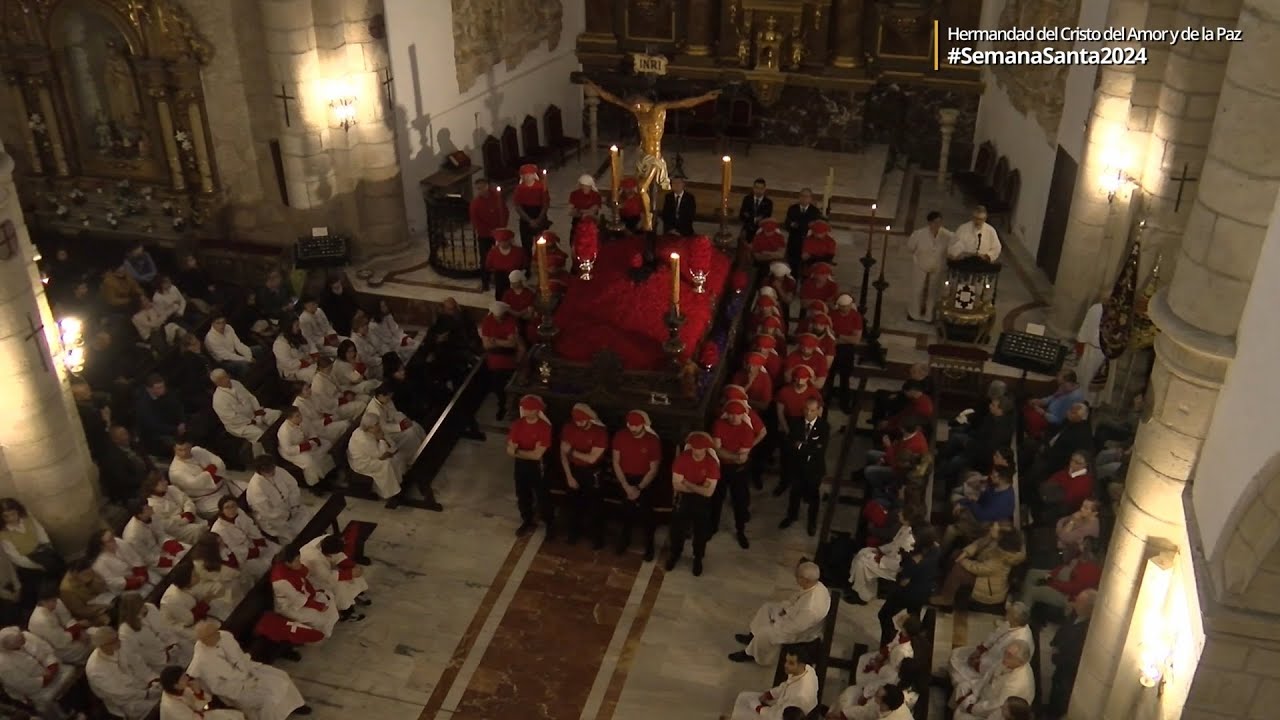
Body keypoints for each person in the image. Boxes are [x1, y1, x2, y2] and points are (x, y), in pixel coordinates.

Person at [187, 620, 310, 719]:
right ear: (204, 639)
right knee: (269, 698)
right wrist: (246, 682)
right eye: (214, 633)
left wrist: (248, 671)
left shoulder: (224, 636)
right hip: (235, 688)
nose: (219, 634)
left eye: (217, 630)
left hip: (248, 668)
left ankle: (296, 705)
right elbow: (217, 687)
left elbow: (238, 655)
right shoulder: (201, 661)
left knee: (281, 676)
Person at [730, 560, 830, 665]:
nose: (796, 580)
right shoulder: (816, 585)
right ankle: (753, 637)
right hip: (795, 618)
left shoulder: (810, 608)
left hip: (802, 632)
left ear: (805, 580)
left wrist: (777, 622)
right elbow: (796, 600)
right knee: (767, 608)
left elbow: (795, 628)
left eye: (798, 577)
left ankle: (750, 654)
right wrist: (785, 609)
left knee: (766, 632)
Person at [846, 504, 925, 604]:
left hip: (896, 568)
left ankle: (862, 596)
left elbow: (901, 562)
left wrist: (881, 559)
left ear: (907, 519)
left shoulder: (910, 540)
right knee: (864, 552)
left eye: (902, 513)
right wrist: (880, 550)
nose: (899, 514)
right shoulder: (905, 528)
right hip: (889, 558)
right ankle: (867, 590)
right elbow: (894, 544)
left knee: (862, 563)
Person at [949, 602, 1033, 695]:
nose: (1006, 612)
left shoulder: (1020, 640)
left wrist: (978, 664)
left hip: (991, 670)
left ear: (1015, 619)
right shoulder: (1011, 623)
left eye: (1009, 613)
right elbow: (994, 636)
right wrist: (979, 650)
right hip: (988, 656)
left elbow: (1003, 662)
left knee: (958, 673)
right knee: (956, 653)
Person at [666, 432, 720, 577]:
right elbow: (677, 485)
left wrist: (687, 483)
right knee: (677, 530)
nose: (697, 451)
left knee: (701, 532)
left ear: (705, 449)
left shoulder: (711, 463)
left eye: (700, 449)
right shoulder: (682, 459)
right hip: (683, 498)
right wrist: (699, 487)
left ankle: (698, 558)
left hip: (702, 502)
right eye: (694, 448)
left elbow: (708, 493)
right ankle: (675, 554)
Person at [610, 410, 662, 559]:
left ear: (643, 425)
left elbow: (653, 468)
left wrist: (639, 488)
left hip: (644, 481)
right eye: (630, 425)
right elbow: (616, 461)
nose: (633, 428)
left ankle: (649, 546)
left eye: (636, 426)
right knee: (625, 513)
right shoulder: (620, 436)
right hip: (625, 478)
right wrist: (625, 485)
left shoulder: (652, 440)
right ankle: (624, 540)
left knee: (647, 517)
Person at [935, 524, 1025, 608]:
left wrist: (963, 561)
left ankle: (947, 598)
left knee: (959, 570)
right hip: (982, 568)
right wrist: (966, 553)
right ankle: (944, 584)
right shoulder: (998, 541)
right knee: (957, 553)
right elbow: (978, 544)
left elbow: (980, 568)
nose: (994, 526)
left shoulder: (1002, 558)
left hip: (988, 588)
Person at [558, 403, 609, 547]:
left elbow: (592, 458)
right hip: (574, 470)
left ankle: (597, 537)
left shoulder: (600, 432)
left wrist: (572, 452)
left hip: (593, 472)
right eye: (576, 420)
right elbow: (563, 453)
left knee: (595, 506)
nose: (579, 423)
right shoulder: (568, 428)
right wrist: (569, 476)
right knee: (573, 505)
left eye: (582, 420)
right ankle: (573, 533)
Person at [877, 527, 939, 646]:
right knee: (913, 620)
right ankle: (912, 644)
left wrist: (900, 572)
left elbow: (904, 581)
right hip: (925, 591)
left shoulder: (915, 561)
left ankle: (888, 642)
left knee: (884, 614)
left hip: (909, 593)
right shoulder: (936, 549)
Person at [709, 399, 757, 548]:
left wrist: (726, 453)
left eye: (737, 415)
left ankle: (740, 530)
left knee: (740, 501)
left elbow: (741, 458)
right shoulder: (719, 425)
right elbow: (716, 449)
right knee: (716, 499)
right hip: (720, 468)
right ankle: (712, 527)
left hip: (738, 471)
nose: (734, 418)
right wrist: (733, 456)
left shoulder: (747, 430)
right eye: (731, 414)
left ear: (742, 415)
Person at [86, 625, 160, 719]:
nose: (119, 641)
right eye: (114, 641)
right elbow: (119, 693)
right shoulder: (95, 669)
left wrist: (151, 679)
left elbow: (137, 663)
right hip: (127, 701)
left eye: (117, 637)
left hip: (141, 684)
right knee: (158, 708)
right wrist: (146, 694)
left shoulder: (120, 645)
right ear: (103, 646)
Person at [506, 394, 554, 537]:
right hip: (521, 466)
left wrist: (517, 451)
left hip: (538, 466)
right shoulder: (517, 425)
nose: (525, 411)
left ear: (536, 411)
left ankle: (550, 523)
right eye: (524, 408)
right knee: (522, 494)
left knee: (542, 495)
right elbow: (509, 450)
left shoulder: (544, 427)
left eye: (529, 409)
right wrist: (523, 452)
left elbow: (537, 455)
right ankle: (527, 520)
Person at [780, 397, 828, 536]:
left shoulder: (824, 427)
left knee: (813, 497)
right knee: (794, 493)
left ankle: (812, 522)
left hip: (814, 469)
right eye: (806, 409)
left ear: (818, 411)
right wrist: (806, 447)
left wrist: (800, 445)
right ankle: (791, 516)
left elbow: (819, 450)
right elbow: (790, 444)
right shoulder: (795, 423)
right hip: (797, 466)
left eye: (812, 410)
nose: (808, 413)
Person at [950, 641, 1034, 720]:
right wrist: (975, 693)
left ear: (1020, 662)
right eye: (1005, 652)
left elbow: (998, 705)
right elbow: (988, 675)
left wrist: (972, 708)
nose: (1004, 657)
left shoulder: (1017, 684)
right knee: (962, 687)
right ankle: (950, 710)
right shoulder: (1009, 661)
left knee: (960, 717)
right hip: (987, 692)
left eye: (1009, 655)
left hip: (998, 710)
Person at [270, 546, 342, 637]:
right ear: (287, 563)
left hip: (303, 596)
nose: (299, 563)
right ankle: (321, 634)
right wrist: (318, 606)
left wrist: (301, 569)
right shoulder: (281, 580)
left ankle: (330, 626)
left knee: (328, 596)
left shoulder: (292, 567)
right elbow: (297, 598)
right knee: (317, 616)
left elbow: (305, 575)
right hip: (290, 606)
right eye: (297, 561)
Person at [1, 498, 62, 603]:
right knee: (42, 583)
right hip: (28, 561)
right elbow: (16, 558)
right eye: (6, 516)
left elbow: (40, 532)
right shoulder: (3, 534)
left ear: (18, 511)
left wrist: (48, 546)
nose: (11, 518)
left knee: (57, 566)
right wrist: (38, 566)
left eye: (13, 514)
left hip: (42, 551)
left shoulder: (27, 518)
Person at [1021, 536, 1102, 614]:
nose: (1081, 546)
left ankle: (1020, 618)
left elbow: (1071, 588)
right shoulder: (1081, 557)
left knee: (1032, 592)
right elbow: (1065, 566)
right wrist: (1053, 573)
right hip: (1060, 578)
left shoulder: (1091, 570)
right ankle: (1021, 604)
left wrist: (1052, 582)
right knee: (1032, 573)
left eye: (1084, 544)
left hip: (1066, 595)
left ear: (1089, 549)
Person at [730, 648, 819, 720]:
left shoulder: (798, 697)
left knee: (742, 711)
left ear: (801, 665)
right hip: (782, 703)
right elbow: (786, 685)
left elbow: (777, 717)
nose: (785, 665)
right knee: (744, 696)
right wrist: (769, 694)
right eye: (786, 661)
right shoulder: (806, 669)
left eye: (791, 663)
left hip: (786, 715)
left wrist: (758, 708)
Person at [117, 592, 192, 674]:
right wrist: (164, 655)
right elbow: (137, 656)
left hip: (172, 648)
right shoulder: (126, 630)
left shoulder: (150, 607)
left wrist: (172, 643)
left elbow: (164, 627)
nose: (144, 607)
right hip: (158, 661)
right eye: (140, 606)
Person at [210, 369, 281, 455]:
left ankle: (282, 441)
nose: (227, 379)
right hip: (239, 425)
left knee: (276, 414)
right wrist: (252, 421)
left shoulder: (235, 383)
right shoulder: (218, 400)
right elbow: (232, 418)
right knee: (259, 434)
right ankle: (262, 458)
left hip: (255, 413)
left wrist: (258, 411)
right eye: (223, 378)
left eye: (226, 375)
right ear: (217, 383)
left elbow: (251, 397)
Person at [1048, 588, 1095, 716]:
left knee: (1061, 697)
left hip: (1068, 670)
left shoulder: (1087, 630)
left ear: (1089, 608)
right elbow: (1064, 628)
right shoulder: (1075, 614)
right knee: (1054, 688)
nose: (1074, 604)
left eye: (1079, 602)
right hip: (1060, 662)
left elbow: (1074, 655)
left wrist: (1057, 657)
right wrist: (1055, 643)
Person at [167, 441, 242, 519]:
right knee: (230, 513)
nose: (184, 453)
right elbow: (195, 483)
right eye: (180, 450)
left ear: (190, 446)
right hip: (205, 500)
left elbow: (219, 463)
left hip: (224, 486)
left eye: (186, 449)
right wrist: (211, 470)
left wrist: (206, 474)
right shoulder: (175, 470)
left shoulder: (198, 451)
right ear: (174, 449)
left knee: (248, 496)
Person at [300, 534, 370, 616]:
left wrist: (352, 566)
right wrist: (349, 574)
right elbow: (327, 577)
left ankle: (358, 593)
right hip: (313, 578)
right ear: (328, 555)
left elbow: (339, 556)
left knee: (354, 572)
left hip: (326, 571)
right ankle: (346, 611)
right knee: (339, 586)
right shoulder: (313, 559)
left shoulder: (328, 540)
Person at [245, 455, 308, 543]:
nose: (273, 472)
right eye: (269, 471)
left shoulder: (278, 470)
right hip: (274, 519)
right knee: (296, 535)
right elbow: (266, 511)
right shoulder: (256, 488)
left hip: (291, 506)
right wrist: (287, 515)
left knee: (308, 519)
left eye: (273, 468)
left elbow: (293, 486)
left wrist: (294, 504)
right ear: (261, 472)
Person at [905, 211, 954, 322]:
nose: (937, 225)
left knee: (933, 291)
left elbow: (956, 241)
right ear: (929, 223)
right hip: (920, 265)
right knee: (917, 289)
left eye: (939, 222)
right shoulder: (919, 234)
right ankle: (914, 313)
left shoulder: (946, 235)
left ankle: (929, 316)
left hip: (937, 266)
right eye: (935, 222)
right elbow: (910, 247)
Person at [348, 413, 406, 506]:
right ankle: (390, 493)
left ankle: (399, 482)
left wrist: (388, 449)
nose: (379, 426)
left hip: (372, 456)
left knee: (396, 457)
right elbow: (380, 455)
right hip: (364, 463)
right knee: (386, 464)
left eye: (378, 423)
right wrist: (381, 440)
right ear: (368, 428)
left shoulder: (371, 431)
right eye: (376, 425)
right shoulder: (363, 439)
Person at [210, 497, 275, 579]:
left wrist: (259, 541)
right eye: (227, 507)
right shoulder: (218, 529)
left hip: (252, 543)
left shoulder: (240, 512)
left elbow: (251, 527)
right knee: (265, 568)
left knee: (277, 552)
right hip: (241, 557)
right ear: (221, 510)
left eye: (233, 506)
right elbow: (232, 549)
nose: (231, 509)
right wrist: (254, 552)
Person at [28, 585, 92, 665]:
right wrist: (78, 627)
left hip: (68, 636)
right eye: (53, 601)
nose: (56, 603)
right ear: (43, 602)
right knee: (94, 641)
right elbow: (61, 642)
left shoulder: (56, 603)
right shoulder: (41, 620)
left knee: (95, 632)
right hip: (60, 649)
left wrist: (80, 632)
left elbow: (67, 619)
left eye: (56, 600)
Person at [122, 499, 189, 574]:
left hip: (162, 547)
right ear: (140, 515)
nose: (151, 507)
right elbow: (146, 557)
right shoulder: (132, 535)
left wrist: (173, 547)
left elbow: (161, 535)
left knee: (188, 550)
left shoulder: (152, 515)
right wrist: (171, 561)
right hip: (153, 561)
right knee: (180, 569)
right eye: (146, 508)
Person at [277, 405, 336, 489]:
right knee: (309, 461)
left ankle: (328, 473)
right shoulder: (284, 431)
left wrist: (314, 439)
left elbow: (311, 431)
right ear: (289, 418)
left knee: (327, 444)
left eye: (299, 414)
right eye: (297, 416)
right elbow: (288, 449)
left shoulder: (302, 420)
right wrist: (304, 447)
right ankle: (315, 484)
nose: (300, 417)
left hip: (306, 443)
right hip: (293, 452)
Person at [481, 301, 522, 419]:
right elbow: (486, 345)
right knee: (498, 382)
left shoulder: (511, 321)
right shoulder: (487, 321)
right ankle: (503, 405)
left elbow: (512, 344)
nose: (498, 319)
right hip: (495, 357)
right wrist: (503, 342)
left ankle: (513, 405)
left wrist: (496, 341)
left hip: (510, 356)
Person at [159, 665, 247, 719]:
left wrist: (198, 692)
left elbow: (205, 703)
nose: (187, 678)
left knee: (236, 715)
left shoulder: (183, 688)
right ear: (176, 685)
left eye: (185, 675)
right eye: (183, 678)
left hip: (200, 715)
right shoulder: (170, 706)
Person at [88, 529, 158, 597]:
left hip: (138, 574)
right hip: (126, 588)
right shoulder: (99, 564)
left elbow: (135, 557)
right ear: (102, 546)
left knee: (157, 580)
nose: (114, 540)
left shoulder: (118, 542)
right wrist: (135, 582)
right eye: (110, 540)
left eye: (113, 537)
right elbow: (112, 582)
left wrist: (140, 572)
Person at [134, 373, 190, 455]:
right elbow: (154, 426)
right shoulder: (143, 406)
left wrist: (182, 422)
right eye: (159, 388)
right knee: (178, 447)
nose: (163, 389)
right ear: (149, 389)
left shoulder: (166, 393)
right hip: (157, 436)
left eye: (163, 386)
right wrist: (175, 429)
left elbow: (178, 406)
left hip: (174, 426)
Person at [1023, 370, 1085, 439]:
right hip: (1048, 412)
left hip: (1052, 421)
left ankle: (1035, 439)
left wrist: (1043, 413)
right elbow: (1052, 397)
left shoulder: (1073, 397)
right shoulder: (1064, 387)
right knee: (1026, 405)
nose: (1060, 387)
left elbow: (1059, 421)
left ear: (1068, 382)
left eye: (1061, 384)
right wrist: (1040, 401)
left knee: (1031, 417)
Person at [471, 178, 511, 282]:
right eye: (478, 189)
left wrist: (502, 228)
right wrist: (491, 232)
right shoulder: (475, 204)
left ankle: (502, 277)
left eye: (483, 187)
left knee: (502, 255)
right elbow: (476, 222)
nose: (481, 190)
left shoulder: (496, 197)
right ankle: (485, 280)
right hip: (485, 235)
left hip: (500, 233)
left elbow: (504, 212)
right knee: (485, 258)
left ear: (487, 186)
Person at [311, 356, 371, 422]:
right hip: (334, 408)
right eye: (328, 369)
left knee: (367, 398)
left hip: (342, 397)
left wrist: (347, 393)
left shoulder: (328, 374)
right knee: (361, 406)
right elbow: (324, 403)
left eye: (331, 367)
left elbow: (338, 387)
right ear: (321, 368)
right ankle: (357, 423)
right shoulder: (318, 383)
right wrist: (344, 400)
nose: (330, 370)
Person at [291, 381, 351, 446]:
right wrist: (325, 421)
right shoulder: (297, 406)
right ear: (299, 393)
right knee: (346, 425)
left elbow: (323, 405)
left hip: (324, 419)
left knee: (342, 417)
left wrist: (327, 414)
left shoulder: (312, 395)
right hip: (318, 429)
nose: (309, 390)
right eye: (306, 389)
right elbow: (308, 425)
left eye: (309, 387)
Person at [1038, 451, 1095, 518]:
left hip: (1067, 508)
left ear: (1085, 465)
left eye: (1077, 463)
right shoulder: (1068, 470)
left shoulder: (1086, 480)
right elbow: (1053, 479)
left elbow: (1070, 499)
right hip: (1055, 498)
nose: (1072, 463)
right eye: (1072, 460)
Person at [59, 558, 112, 626]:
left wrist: (91, 581)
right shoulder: (66, 590)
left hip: (102, 600)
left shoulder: (88, 570)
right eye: (85, 574)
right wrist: (101, 608)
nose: (89, 574)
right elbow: (80, 611)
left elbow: (103, 586)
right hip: (89, 615)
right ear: (75, 573)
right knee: (107, 619)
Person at [513, 164, 551, 251]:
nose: (527, 177)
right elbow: (517, 206)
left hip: (539, 214)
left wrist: (539, 219)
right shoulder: (519, 189)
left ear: (534, 176)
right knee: (526, 245)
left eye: (529, 175)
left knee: (542, 245)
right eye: (525, 175)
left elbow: (545, 204)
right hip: (526, 216)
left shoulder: (541, 187)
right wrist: (529, 220)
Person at [483, 228, 526, 302]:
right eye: (501, 241)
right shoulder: (492, 252)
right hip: (499, 278)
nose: (503, 243)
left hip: (514, 278)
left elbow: (523, 264)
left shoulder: (518, 251)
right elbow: (488, 265)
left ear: (510, 241)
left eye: (505, 241)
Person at [783, 188, 822, 269]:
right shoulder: (793, 209)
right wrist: (804, 225)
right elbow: (787, 224)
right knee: (792, 267)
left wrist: (796, 225)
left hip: (808, 243)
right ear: (799, 197)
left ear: (811, 198)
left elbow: (814, 228)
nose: (804, 198)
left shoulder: (815, 211)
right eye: (802, 196)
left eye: (807, 196)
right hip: (794, 242)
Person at [272, 318, 318, 383]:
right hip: (291, 372)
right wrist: (305, 362)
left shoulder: (295, 335)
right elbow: (288, 364)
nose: (299, 327)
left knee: (325, 366)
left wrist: (312, 357)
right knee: (317, 374)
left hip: (306, 363)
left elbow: (307, 349)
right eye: (297, 325)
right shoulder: (279, 344)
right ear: (289, 327)